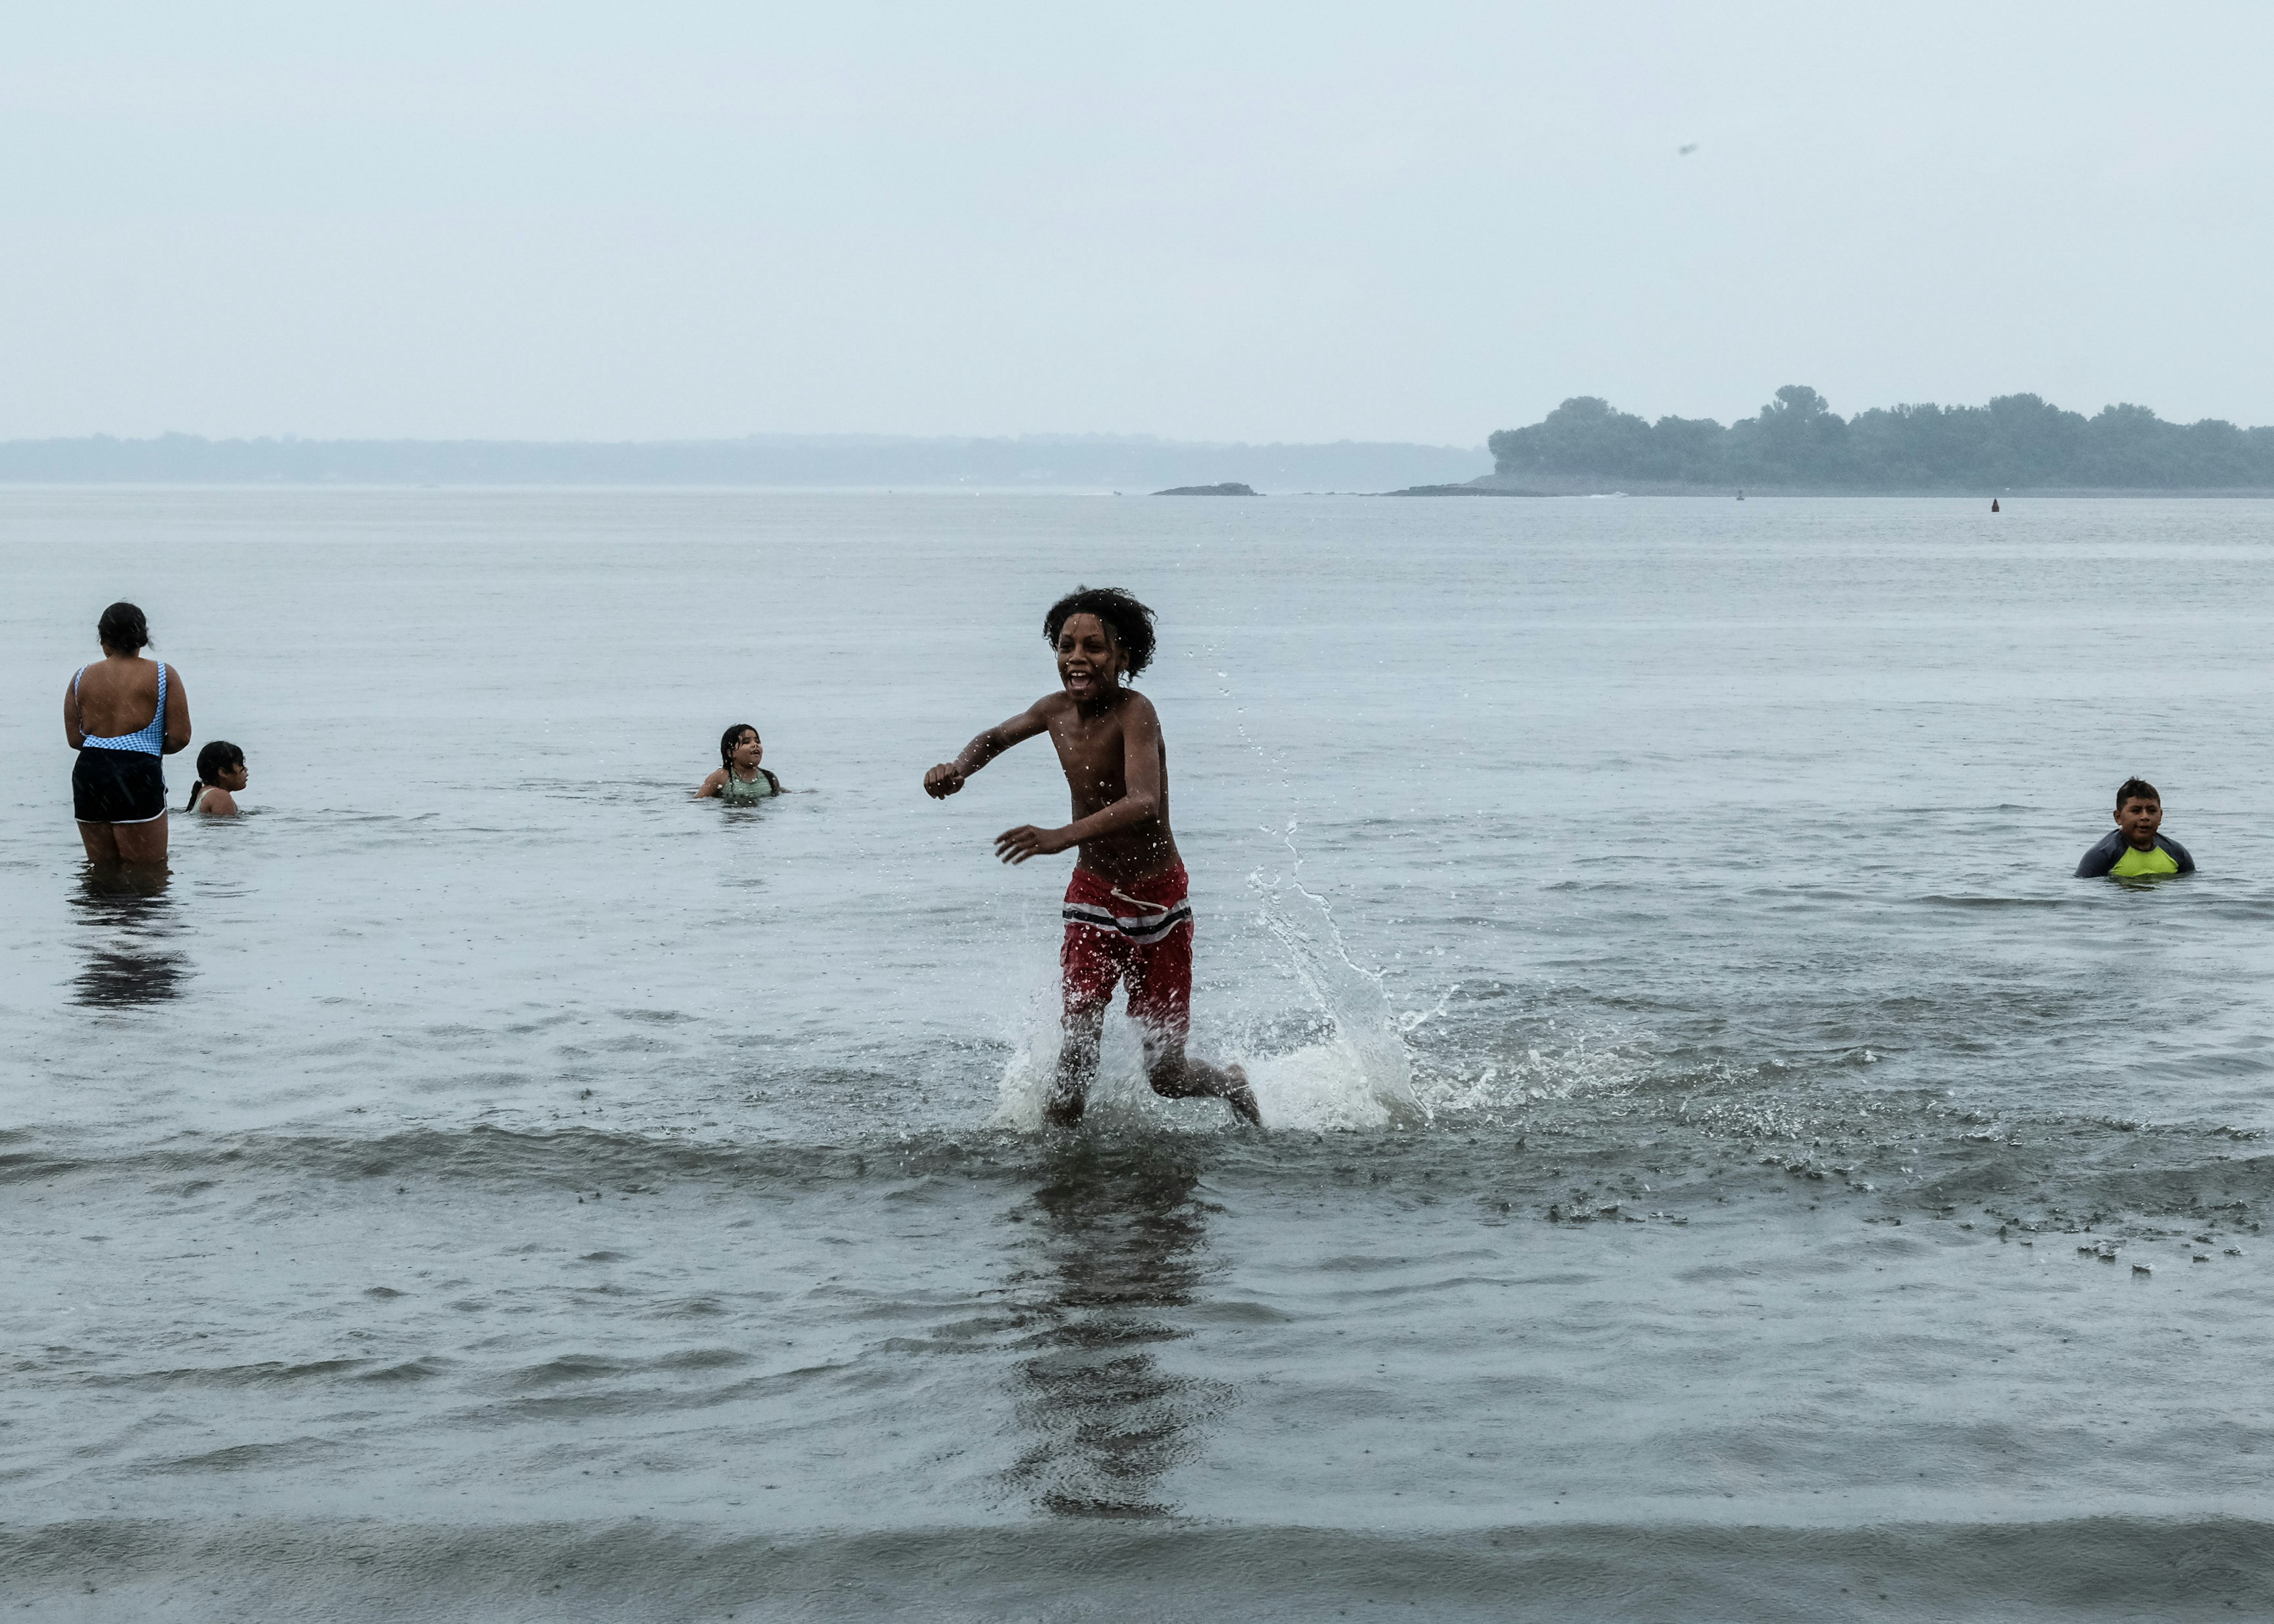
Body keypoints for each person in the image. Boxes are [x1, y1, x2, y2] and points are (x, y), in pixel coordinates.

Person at [924, 586, 1261, 1128]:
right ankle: (1062, 1181)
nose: (1077, 658)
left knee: (1168, 1077)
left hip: (1157, 902)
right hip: (1093, 896)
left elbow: (1144, 801)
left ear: (1124, 658)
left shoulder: (1136, 712)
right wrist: (958, 768)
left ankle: (1232, 1083)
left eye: (1094, 648)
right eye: (1066, 646)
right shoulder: (1053, 710)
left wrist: (1062, 835)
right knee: (1077, 1048)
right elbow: (993, 738)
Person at [63, 602, 191, 866]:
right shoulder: (162, 674)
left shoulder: (82, 676)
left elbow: (76, 739)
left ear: (103, 639)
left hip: (91, 773)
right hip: (137, 773)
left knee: (102, 871)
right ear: (142, 638)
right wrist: (145, 744)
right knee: (149, 872)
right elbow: (180, 737)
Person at [2076, 777, 2195, 878]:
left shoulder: (2177, 853)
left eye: (2152, 810)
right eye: (2136, 811)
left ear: (2161, 816)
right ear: (2118, 817)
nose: (2145, 817)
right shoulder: (2102, 855)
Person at [695, 724, 781, 804]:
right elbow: (698, 800)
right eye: (747, 742)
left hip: (759, 820)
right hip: (733, 818)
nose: (755, 745)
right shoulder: (721, 777)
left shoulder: (769, 777)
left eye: (757, 741)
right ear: (731, 753)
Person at [185, 741, 248, 815]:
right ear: (223, 773)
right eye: (241, 765)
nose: (246, 769)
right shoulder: (220, 796)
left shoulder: (206, 792)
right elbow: (227, 826)